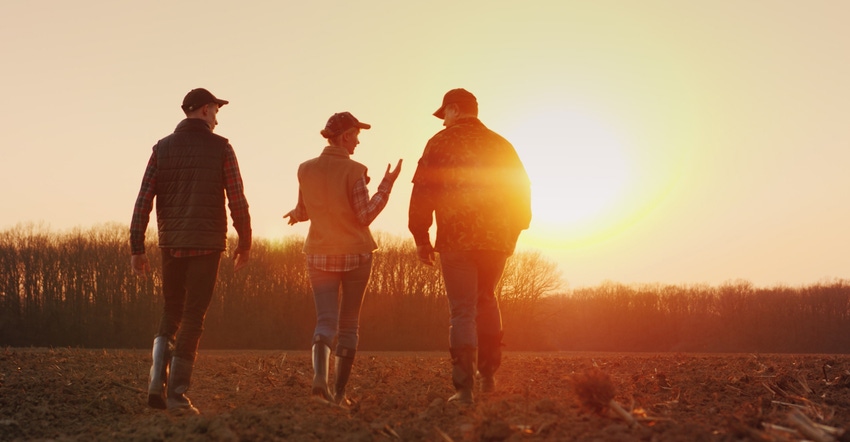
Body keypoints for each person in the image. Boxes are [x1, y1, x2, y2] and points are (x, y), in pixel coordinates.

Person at [130, 88, 252, 415]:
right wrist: (245, 240)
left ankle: (157, 376)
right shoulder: (221, 148)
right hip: (208, 243)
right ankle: (177, 394)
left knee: (171, 310)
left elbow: (144, 199)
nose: (216, 118)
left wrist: (137, 247)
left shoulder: (161, 149)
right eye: (215, 111)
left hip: (171, 243)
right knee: (194, 317)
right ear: (203, 110)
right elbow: (237, 198)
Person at [408, 88, 531, 404]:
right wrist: (514, 232)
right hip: (496, 241)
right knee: (487, 299)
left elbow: (423, 191)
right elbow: (522, 190)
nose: (443, 121)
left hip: (456, 240)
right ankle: (487, 376)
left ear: (453, 110)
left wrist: (421, 236)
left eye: (444, 115)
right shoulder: (502, 145)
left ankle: (464, 389)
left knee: (462, 310)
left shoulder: (440, 143)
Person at [284, 112, 401, 406]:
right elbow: (364, 216)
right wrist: (386, 186)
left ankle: (319, 378)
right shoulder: (355, 171)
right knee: (349, 325)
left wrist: (295, 216)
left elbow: (304, 209)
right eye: (356, 135)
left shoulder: (305, 169)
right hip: (355, 254)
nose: (358, 141)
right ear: (345, 135)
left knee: (325, 321)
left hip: (319, 253)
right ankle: (339, 394)